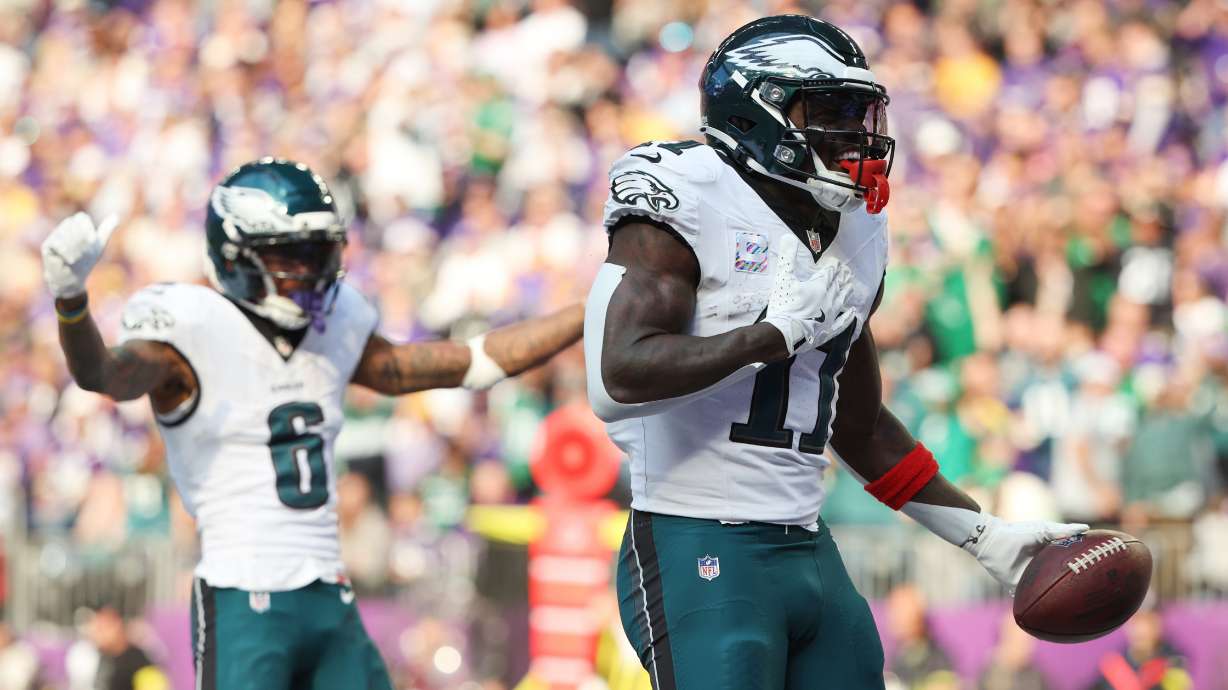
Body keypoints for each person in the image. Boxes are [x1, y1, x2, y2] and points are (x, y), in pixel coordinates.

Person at [583, 15, 1086, 689]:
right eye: (828, 110)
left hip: (804, 542)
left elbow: (860, 423)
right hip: (694, 535)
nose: (856, 133)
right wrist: (770, 336)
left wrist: (982, 534)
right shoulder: (690, 195)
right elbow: (618, 376)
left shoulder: (855, 228)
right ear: (757, 113)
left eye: (860, 112)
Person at [41, 158, 584, 690]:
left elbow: (469, 363)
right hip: (242, 595)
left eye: (316, 252)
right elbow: (104, 374)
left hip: (329, 595)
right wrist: (71, 301)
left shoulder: (338, 324)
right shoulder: (190, 331)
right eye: (289, 256)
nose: (309, 270)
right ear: (237, 255)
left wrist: (587, 311)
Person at [87, 606, 169, 690]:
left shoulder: (140, 662)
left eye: (101, 629)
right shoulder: (105, 658)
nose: (96, 635)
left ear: (117, 625)